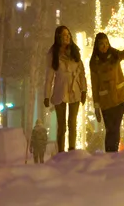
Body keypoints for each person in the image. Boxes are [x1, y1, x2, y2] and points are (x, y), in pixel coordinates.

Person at [90, 33, 124, 152]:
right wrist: (96, 106)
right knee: (109, 128)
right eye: (101, 44)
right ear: (97, 46)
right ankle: (109, 152)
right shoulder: (94, 63)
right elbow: (94, 86)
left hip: (119, 97)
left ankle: (114, 152)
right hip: (106, 100)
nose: (104, 46)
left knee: (115, 127)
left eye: (106, 43)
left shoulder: (114, 55)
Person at [43, 25, 87, 153]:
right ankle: (61, 151)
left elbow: (82, 73)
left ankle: (72, 149)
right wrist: (46, 95)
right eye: (64, 35)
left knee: (72, 122)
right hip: (60, 90)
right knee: (61, 125)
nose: (67, 37)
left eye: (68, 35)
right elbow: (49, 77)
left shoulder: (75, 52)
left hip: (74, 90)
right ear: (58, 37)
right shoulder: (53, 55)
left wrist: (84, 90)